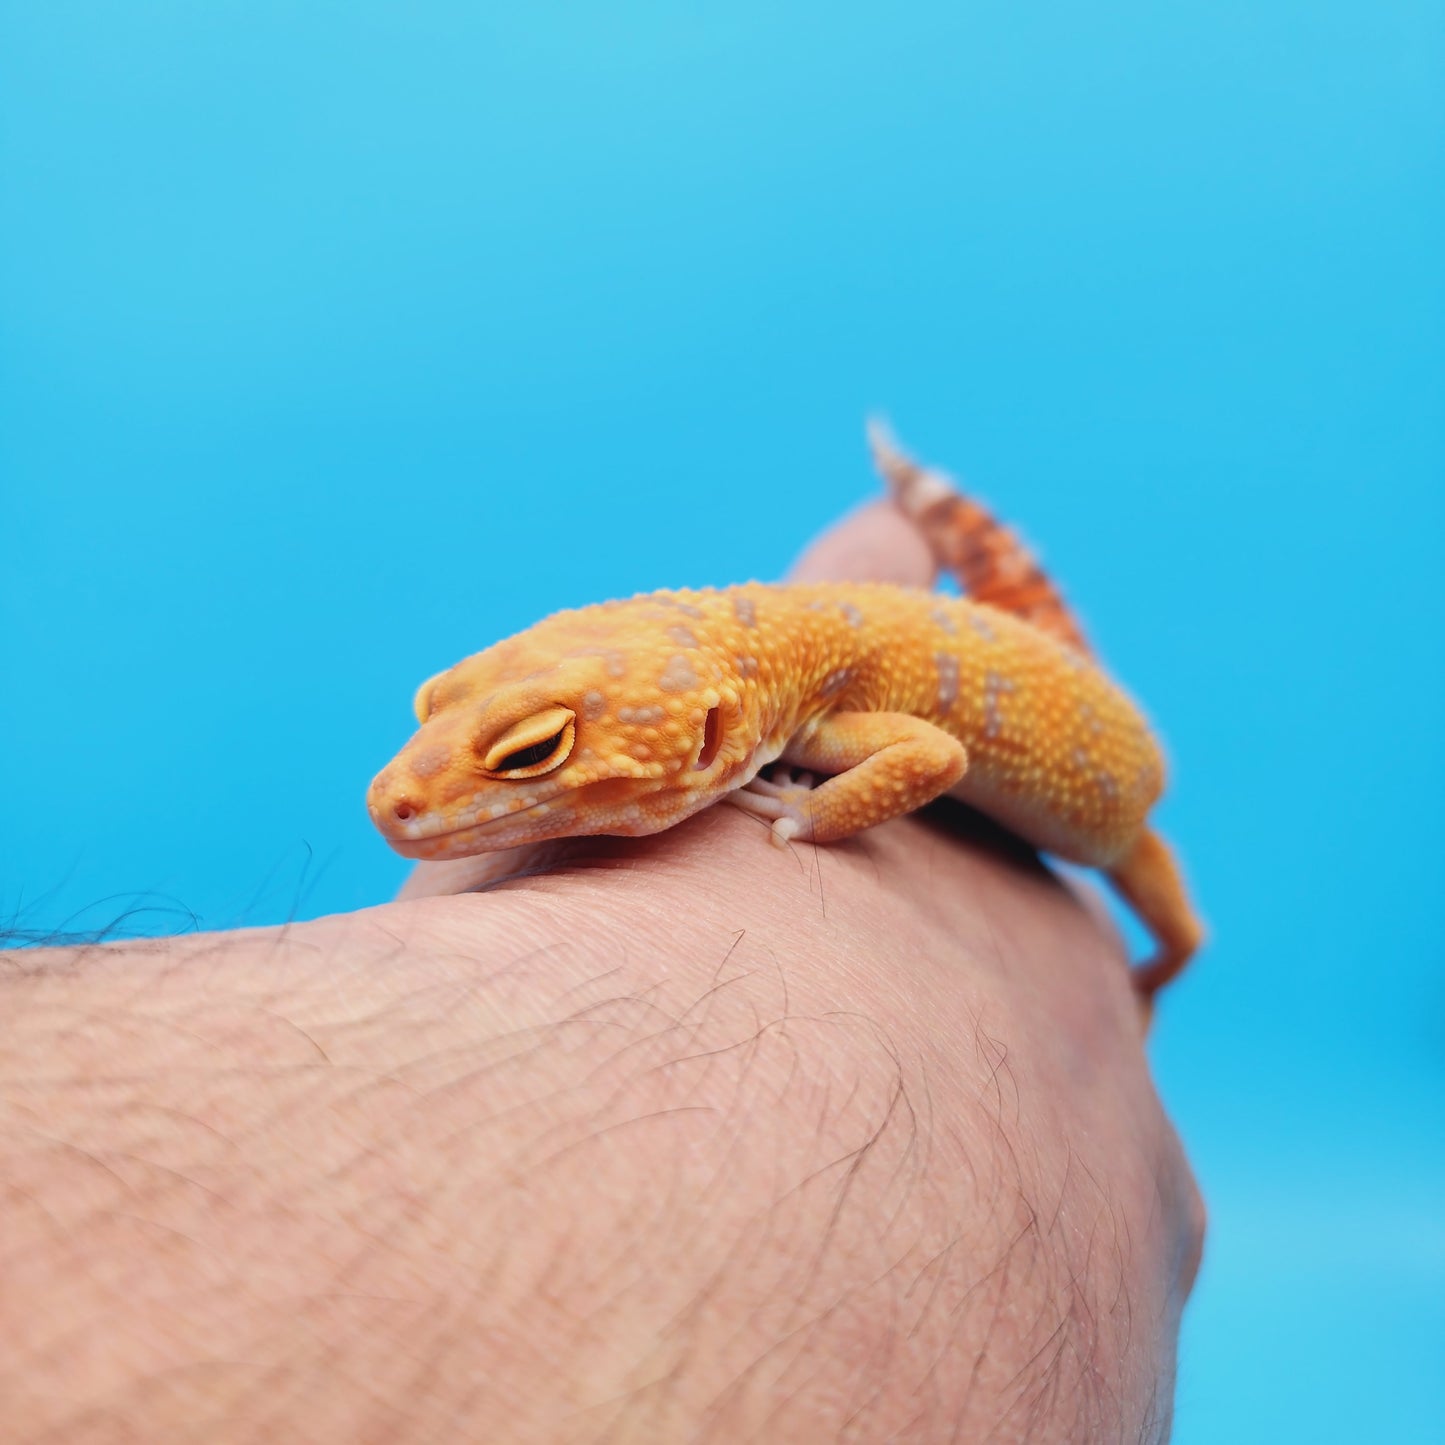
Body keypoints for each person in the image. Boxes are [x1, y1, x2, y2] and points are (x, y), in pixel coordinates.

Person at [0, 499, 1204, 1442]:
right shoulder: (784, 668)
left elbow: (928, 752)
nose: (400, 794)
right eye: (459, 717)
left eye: (529, 751)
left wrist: (810, 821)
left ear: (718, 735)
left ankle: (1153, 972)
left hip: (1111, 809)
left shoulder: (822, 717)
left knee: (1175, 930)